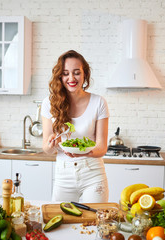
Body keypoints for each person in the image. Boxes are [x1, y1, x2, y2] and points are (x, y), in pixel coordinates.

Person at [41, 50, 110, 203]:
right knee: (60, 222)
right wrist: (51, 144)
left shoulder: (99, 102)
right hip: (63, 175)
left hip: (93, 174)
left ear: (85, 74)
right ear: (60, 76)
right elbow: (46, 149)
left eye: (77, 72)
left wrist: (84, 153)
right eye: (65, 73)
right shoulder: (49, 103)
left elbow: (102, 147)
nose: (71, 78)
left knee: (94, 222)